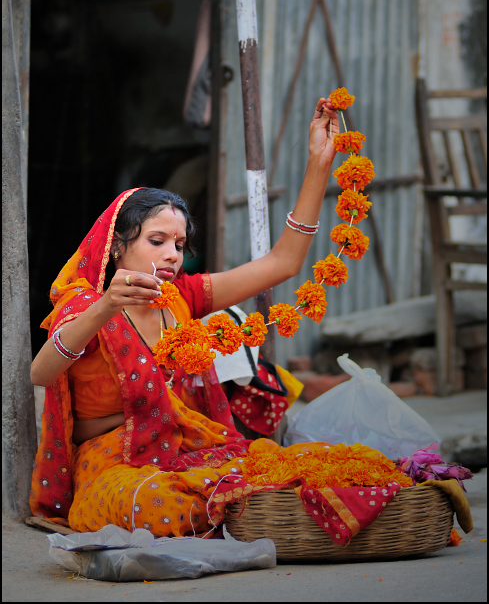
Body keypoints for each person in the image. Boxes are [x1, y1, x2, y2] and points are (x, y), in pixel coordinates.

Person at [30, 98, 339, 537]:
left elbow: (283, 263)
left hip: (186, 442)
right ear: (117, 247)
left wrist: (318, 164)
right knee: (161, 505)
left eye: (178, 244)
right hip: (111, 458)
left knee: (284, 475)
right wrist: (106, 308)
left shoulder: (179, 298)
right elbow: (40, 373)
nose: (172, 255)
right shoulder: (85, 306)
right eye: (157, 240)